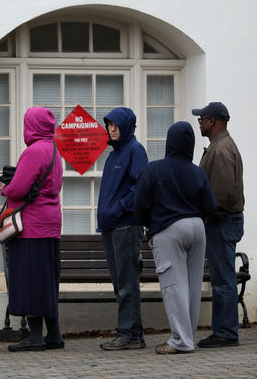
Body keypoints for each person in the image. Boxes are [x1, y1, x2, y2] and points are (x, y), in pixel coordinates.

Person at [134, 121, 217, 354]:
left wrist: (149, 223)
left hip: (168, 230)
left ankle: (181, 341)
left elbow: (139, 206)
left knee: (173, 285)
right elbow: (210, 206)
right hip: (197, 228)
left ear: (169, 142)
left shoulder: (154, 169)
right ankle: (186, 337)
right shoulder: (197, 172)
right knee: (191, 286)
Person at [0, 107, 64, 352]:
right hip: (51, 223)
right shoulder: (54, 149)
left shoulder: (34, 151)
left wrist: (4, 189)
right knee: (47, 281)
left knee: (31, 280)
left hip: (31, 226)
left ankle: (36, 336)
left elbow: (18, 190)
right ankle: (54, 335)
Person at [191, 102, 245, 348]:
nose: (199, 122)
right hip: (223, 221)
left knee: (223, 280)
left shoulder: (221, 150)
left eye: (202, 118)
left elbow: (222, 196)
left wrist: (204, 212)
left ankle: (225, 332)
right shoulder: (220, 146)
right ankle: (224, 330)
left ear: (212, 121)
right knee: (224, 278)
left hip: (221, 222)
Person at [96, 107, 148, 351]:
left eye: (116, 125)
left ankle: (129, 334)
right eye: (109, 124)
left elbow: (140, 188)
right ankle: (133, 334)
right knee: (121, 283)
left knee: (127, 283)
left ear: (126, 126)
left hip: (126, 226)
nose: (111, 129)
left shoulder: (135, 151)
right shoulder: (113, 154)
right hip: (111, 226)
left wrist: (118, 209)